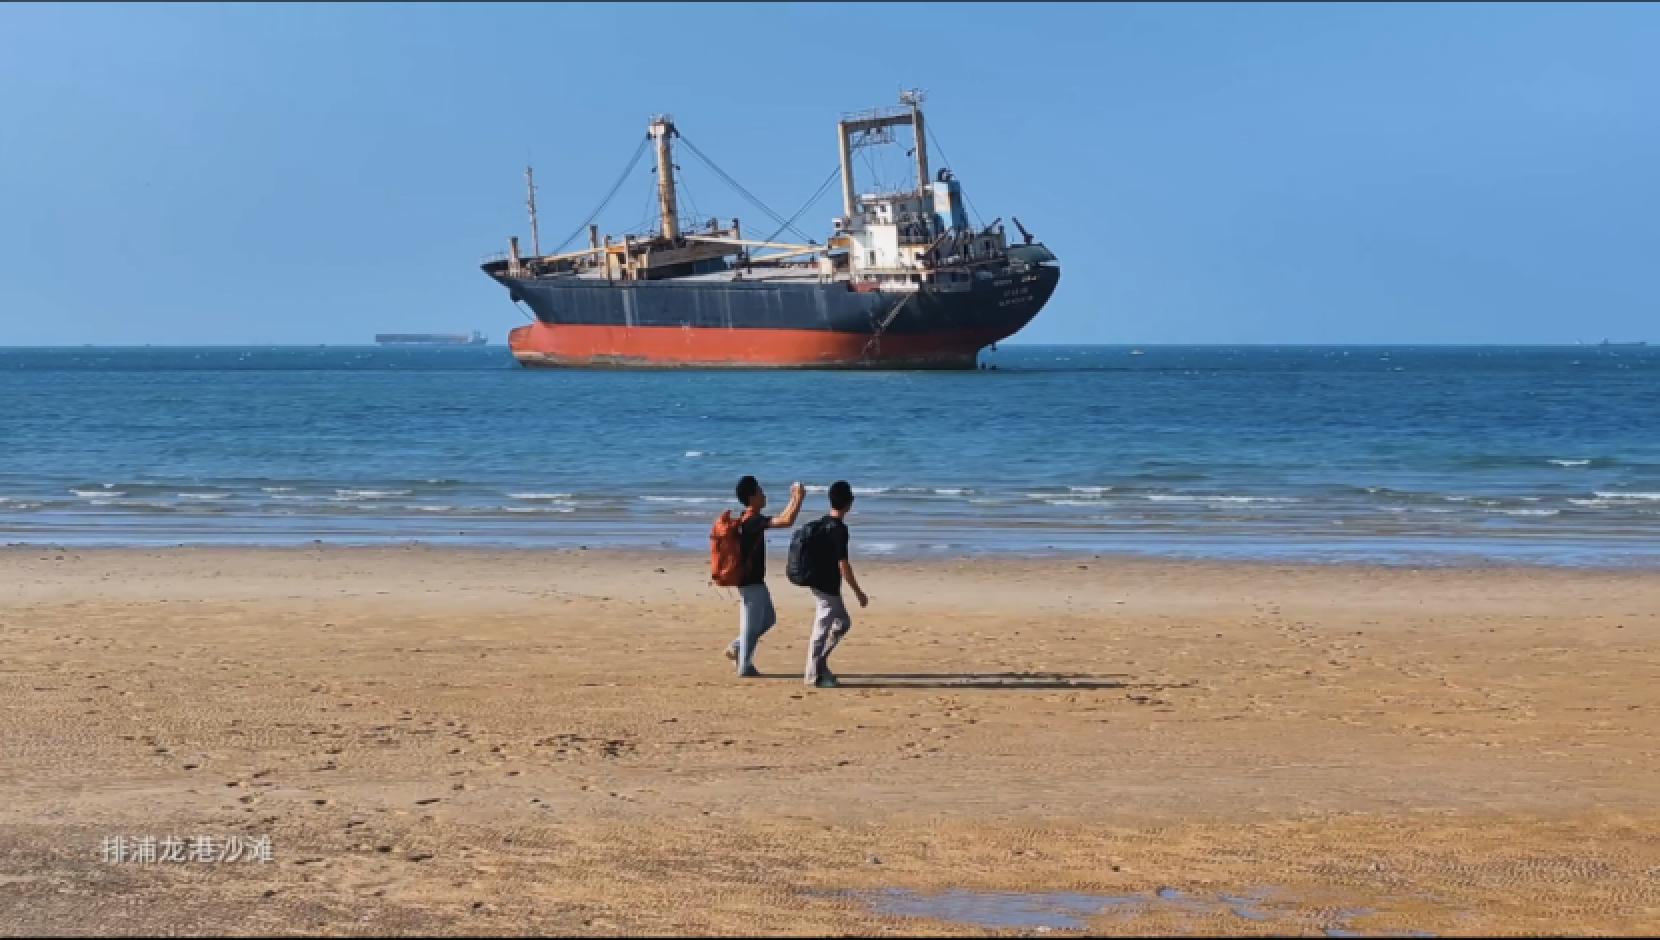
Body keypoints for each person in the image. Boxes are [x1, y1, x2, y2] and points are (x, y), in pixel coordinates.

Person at [723, 475, 804, 677]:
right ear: (751, 497)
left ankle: (737, 646)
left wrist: (793, 500)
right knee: (751, 627)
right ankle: (745, 666)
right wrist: (799, 498)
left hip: (755, 582)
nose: (764, 494)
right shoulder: (752, 521)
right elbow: (787, 521)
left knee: (768, 619)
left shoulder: (749, 519)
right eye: (760, 491)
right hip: (750, 583)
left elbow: (782, 518)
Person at [803, 480, 868, 689]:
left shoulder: (822, 523)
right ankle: (812, 675)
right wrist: (859, 593)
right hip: (826, 586)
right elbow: (844, 566)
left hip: (819, 582)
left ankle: (820, 663)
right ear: (850, 503)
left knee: (843, 623)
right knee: (821, 628)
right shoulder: (839, 529)